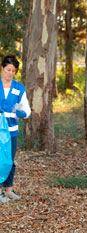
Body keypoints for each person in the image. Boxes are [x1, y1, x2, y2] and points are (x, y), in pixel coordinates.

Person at [0, 55, 31, 203]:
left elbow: (27, 111)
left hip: (11, 131)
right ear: (2, 68)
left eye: (13, 71)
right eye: (8, 70)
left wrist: (16, 113)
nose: (10, 73)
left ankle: (9, 190)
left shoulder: (19, 88)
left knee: (10, 161)